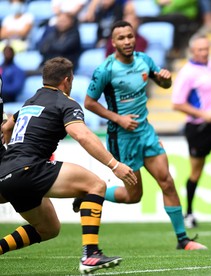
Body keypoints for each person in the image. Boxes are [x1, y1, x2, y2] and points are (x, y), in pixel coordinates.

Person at [78, 20, 207, 250]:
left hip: (145, 131)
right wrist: (118, 118)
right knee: (134, 195)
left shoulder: (144, 60)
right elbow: (89, 103)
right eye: (122, 38)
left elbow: (163, 84)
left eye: (130, 36)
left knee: (166, 181)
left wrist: (166, 80)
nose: (127, 41)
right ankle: (90, 193)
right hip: (122, 136)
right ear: (113, 42)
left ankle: (182, 239)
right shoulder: (105, 70)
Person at [0, 57, 137, 274]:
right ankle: (90, 255)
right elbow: (81, 135)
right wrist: (114, 165)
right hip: (30, 170)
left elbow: (7, 127)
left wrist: (13, 153)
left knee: (49, 229)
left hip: (6, 173)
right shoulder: (66, 103)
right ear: (67, 80)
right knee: (96, 185)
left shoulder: (30, 102)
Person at [171, 32, 211, 228]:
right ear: (192, 51)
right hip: (198, 128)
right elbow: (177, 104)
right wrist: (203, 114)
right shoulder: (186, 73)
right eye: (200, 50)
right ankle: (188, 212)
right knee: (196, 173)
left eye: (206, 49)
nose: (204, 53)